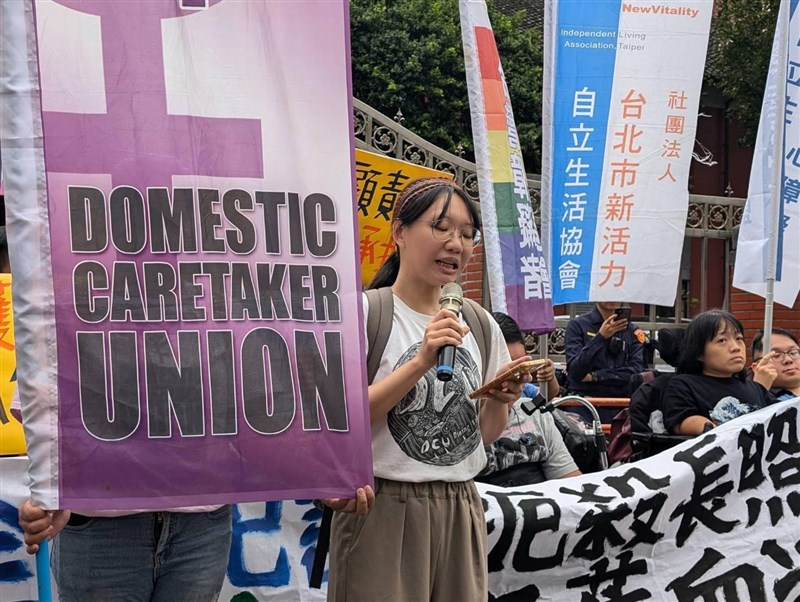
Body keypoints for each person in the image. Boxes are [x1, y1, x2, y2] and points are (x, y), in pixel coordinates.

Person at [327, 177, 530, 602]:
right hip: (382, 507)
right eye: (441, 227)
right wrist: (421, 361)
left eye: (467, 234)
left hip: (461, 506)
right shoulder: (365, 313)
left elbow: (484, 435)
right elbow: (341, 421)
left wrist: (500, 399)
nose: (456, 244)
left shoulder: (479, 323)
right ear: (399, 232)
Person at [477, 312, 581, 487]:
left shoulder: (534, 412)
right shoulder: (458, 426)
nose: (518, 378)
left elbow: (571, 481)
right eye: (508, 368)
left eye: (522, 367)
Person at [662, 310, 777, 436]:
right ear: (699, 352)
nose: (736, 347)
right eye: (722, 340)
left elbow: (783, 415)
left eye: (739, 338)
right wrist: (714, 430)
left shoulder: (755, 388)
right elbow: (682, 422)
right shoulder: (683, 385)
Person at [564, 302, 645, 399]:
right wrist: (600, 338)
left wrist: (595, 376)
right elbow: (575, 372)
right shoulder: (577, 325)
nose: (610, 296)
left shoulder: (632, 331)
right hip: (585, 401)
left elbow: (636, 373)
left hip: (621, 401)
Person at [751, 328, 800, 402]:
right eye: (776, 355)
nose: (788, 360)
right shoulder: (759, 402)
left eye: (793, 353)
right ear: (756, 367)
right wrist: (759, 388)